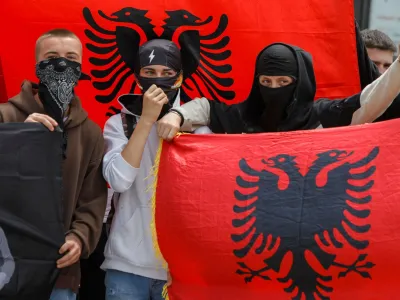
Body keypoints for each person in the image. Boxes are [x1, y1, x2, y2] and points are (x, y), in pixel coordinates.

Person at [0, 29, 108, 300]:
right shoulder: (5, 116)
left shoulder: (91, 133)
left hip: (59, 271)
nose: (62, 63)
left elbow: (92, 200)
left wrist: (79, 239)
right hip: (6, 265)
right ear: (37, 65)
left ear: (81, 68)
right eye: (52, 57)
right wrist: (16, 138)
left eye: (71, 57)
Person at [102, 39, 192, 300]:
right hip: (126, 265)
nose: (159, 80)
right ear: (137, 76)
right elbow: (118, 181)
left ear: (180, 76)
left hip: (180, 267)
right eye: (149, 73)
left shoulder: (199, 124)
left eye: (167, 73)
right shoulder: (118, 123)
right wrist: (146, 120)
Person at [157, 42, 400, 138]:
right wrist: (176, 115)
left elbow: (371, 99)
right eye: (266, 82)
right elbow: (205, 107)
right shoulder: (242, 118)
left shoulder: (324, 117)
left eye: (283, 83)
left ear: (299, 83)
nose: (273, 90)